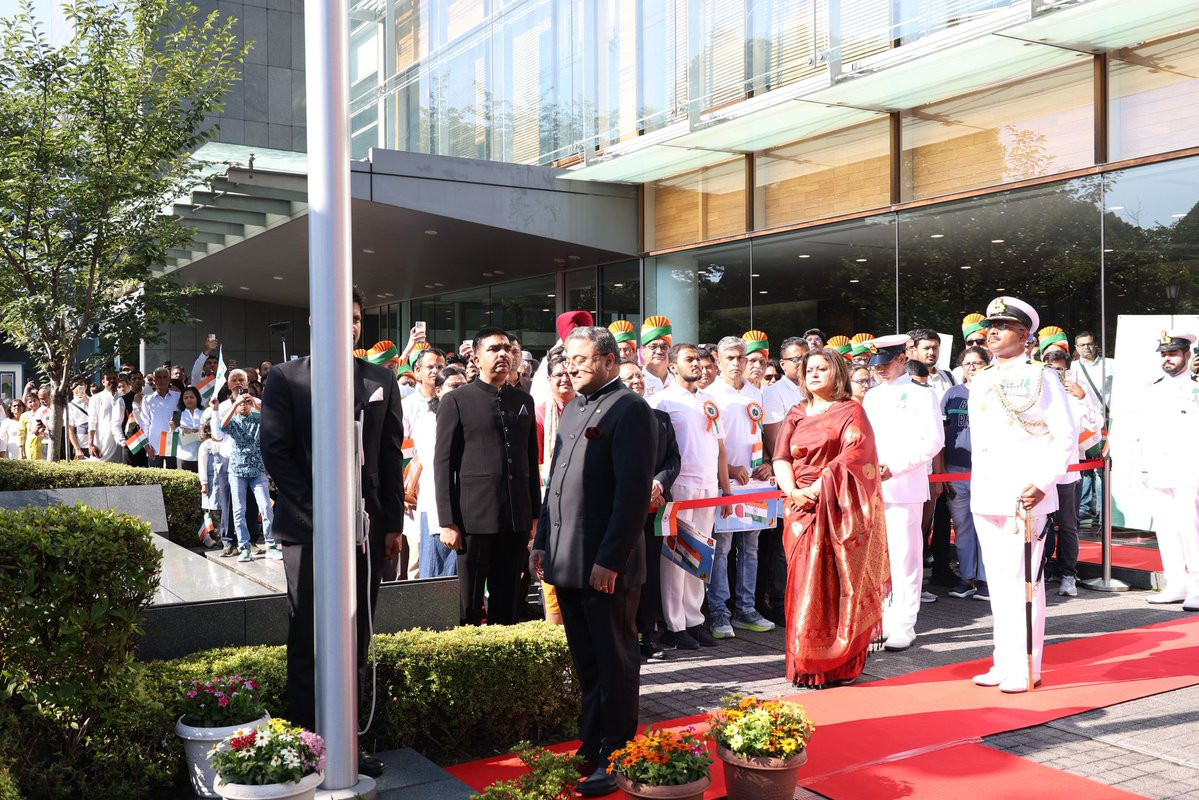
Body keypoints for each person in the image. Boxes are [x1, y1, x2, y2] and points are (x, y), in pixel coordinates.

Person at [260, 287, 405, 778]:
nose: (351, 323)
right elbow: (276, 452)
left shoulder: (381, 378)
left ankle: (348, 743)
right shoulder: (286, 378)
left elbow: (390, 456)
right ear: (314, 320)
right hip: (307, 530)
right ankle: (306, 745)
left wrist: (392, 525)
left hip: (367, 529)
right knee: (308, 635)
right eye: (341, 314)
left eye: (357, 317)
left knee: (356, 634)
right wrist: (319, 514)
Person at [532, 326, 656, 798]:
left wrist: (611, 560)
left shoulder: (631, 409)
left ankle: (617, 752)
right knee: (586, 660)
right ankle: (591, 742)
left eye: (581, 360)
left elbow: (632, 494)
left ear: (609, 360)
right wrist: (542, 540)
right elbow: (555, 484)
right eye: (568, 360)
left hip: (606, 564)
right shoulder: (571, 408)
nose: (572, 367)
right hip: (567, 559)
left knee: (615, 660)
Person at [969, 296, 1074, 693]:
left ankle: (1028, 666)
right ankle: (1004, 661)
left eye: (1002, 326)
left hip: (1024, 494)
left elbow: (1064, 436)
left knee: (1024, 582)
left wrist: (1044, 482)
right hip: (988, 492)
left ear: (1024, 334)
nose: (992, 332)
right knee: (998, 583)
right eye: (990, 326)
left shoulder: (1041, 376)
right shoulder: (982, 378)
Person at [772, 347, 889, 687]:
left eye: (822, 368)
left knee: (837, 583)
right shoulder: (796, 412)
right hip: (799, 509)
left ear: (837, 373)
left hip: (836, 508)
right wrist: (792, 491)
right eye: (809, 369)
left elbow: (856, 457)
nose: (813, 373)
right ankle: (804, 662)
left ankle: (838, 664)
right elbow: (781, 457)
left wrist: (821, 485)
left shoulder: (851, 411)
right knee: (801, 585)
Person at [434, 327, 540, 626]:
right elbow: (443, 464)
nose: (503, 354)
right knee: (469, 605)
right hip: (472, 520)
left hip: (516, 518)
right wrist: (447, 521)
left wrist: (534, 514)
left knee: (508, 603)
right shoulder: (456, 400)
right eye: (494, 349)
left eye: (507, 348)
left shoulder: (523, 400)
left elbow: (530, 461)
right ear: (476, 358)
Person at [863, 334, 944, 651]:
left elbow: (932, 441)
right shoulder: (872, 396)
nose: (879, 369)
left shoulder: (922, 395)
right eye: (875, 364)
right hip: (874, 487)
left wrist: (895, 467)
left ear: (901, 358)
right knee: (879, 558)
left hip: (904, 485)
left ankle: (904, 623)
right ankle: (883, 617)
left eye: (885, 363)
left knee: (905, 557)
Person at [649, 343, 732, 650]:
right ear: (673, 366)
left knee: (700, 554)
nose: (697, 364)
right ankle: (674, 625)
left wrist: (726, 488)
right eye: (689, 359)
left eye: (698, 359)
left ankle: (694, 619)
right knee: (675, 557)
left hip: (708, 486)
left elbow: (720, 447)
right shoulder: (661, 400)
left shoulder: (709, 399)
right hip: (680, 486)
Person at [706, 336, 776, 638]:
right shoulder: (710, 395)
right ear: (718, 361)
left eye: (741, 357)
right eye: (730, 358)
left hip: (755, 484)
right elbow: (708, 443)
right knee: (721, 548)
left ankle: (746, 609)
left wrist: (769, 463)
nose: (736, 363)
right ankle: (719, 611)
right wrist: (729, 469)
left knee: (751, 548)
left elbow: (766, 437)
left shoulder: (757, 393)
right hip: (726, 484)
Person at [1124, 331, 1199, 608]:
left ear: (1187, 355)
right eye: (1164, 354)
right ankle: (1176, 583)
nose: (1167, 359)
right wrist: (1143, 466)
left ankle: (1197, 586)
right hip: (1159, 467)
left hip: (1190, 468)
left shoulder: (1195, 384)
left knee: (1191, 530)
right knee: (1166, 530)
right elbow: (1145, 430)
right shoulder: (1154, 387)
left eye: (1173, 353)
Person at [618, 360, 680, 660]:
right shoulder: (612, 417)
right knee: (623, 572)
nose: (637, 381)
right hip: (622, 509)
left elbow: (673, 459)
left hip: (655, 508)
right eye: (629, 377)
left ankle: (647, 634)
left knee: (650, 571)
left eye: (639, 376)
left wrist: (659, 484)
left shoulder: (661, 418)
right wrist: (643, 487)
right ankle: (623, 636)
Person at [1041, 348, 1101, 598]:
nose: (1056, 373)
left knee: (1067, 525)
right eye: (1051, 369)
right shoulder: (1038, 394)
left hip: (1068, 472)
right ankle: (1043, 569)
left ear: (1067, 370)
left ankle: (1068, 573)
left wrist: (1084, 397)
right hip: (1042, 473)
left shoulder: (1076, 397)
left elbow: (1096, 426)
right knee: (1042, 523)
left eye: (1060, 369)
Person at [942, 346, 990, 601]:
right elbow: (941, 432)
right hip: (955, 470)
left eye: (977, 363)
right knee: (962, 527)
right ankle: (966, 577)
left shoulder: (996, 393)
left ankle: (986, 579)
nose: (972, 367)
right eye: (967, 363)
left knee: (987, 526)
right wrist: (942, 472)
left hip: (986, 471)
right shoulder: (952, 394)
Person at [413, 366, 468, 579]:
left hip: (465, 511)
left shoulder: (467, 418)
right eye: (454, 386)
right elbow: (437, 470)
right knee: (438, 580)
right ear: (438, 391)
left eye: (464, 386)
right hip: (438, 512)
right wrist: (444, 522)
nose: (460, 391)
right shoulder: (429, 421)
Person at [400, 346, 446, 580]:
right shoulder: (408, 405)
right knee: (418, 557)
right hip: (415, 492)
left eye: (440, 366)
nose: (436, 371)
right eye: (430, 367)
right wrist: (405, 491)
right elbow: (402, 451)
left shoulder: (450, 401)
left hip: (442, 492)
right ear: (417, 371)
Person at [220, 387, 281, 562]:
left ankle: (271, 546)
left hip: (257, 470)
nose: (244, 405)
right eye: (241, 403)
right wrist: (235, 405)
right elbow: (221, 426)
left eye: (246, 402)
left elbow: (273, 417)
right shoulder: (233, 421)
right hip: (237, 471)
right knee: (239, 510)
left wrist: (255, 403)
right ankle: (244, 547)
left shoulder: (257, 419)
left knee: (266, 507)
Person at [1070, 330, 1114, 527]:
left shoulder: (1110, 365)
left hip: (1107, 420)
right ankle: (1085, 507)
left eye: (1089, 343)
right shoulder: (1072, 368)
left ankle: (1104, 513)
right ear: (1076, 348)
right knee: (1086, 467)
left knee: (1102, 467)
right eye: (1082, 345)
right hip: (1084, 422)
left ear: (1096, 344)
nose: (1086, 348)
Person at [143, 367, 181, 469]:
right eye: (159, 377)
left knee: (173, 475)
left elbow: (180, 419)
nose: (162, 380)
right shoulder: (147, 399)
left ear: (169, 379)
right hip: (154, 444)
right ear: (154, 380)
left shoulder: (178, 397)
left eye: (165, 377)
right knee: (155, 476)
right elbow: (144, 423)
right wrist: (146, 446)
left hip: (173, 441)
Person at [87, 371, 125, 462]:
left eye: (114, 378)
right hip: (102, 443)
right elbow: (92, 423)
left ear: (118, 380)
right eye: (108, 379)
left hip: (120, 442)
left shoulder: (123, 397)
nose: (112, 381)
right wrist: (90, 444)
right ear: (103, 382)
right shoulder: (96, 398)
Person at [640, 316, 673, 396]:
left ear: (670, 350)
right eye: (653, 347)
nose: (659, 351)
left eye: (664, 347)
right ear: (643, 351)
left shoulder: (677, 381)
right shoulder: (638, 382)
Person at [175, 386, 205, 472]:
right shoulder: (177, 415)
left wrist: (191, 431)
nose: (189, 400)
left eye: (192, 397)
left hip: (202, 454)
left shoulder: (204, 413)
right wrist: (173, 428)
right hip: (183, 455)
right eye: (186, 398)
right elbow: (173, 435)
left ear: (197, 398)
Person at [66, 380, 89, 460]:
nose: (79, 387)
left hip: (98, 442)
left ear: (86, 386)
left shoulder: (94, 400)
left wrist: (88, 401)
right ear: (71, 388)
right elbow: (70, 430)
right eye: (76, 385)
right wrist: (77, 449)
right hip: (82, 444)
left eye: (81, 384)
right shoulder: (70, 406)